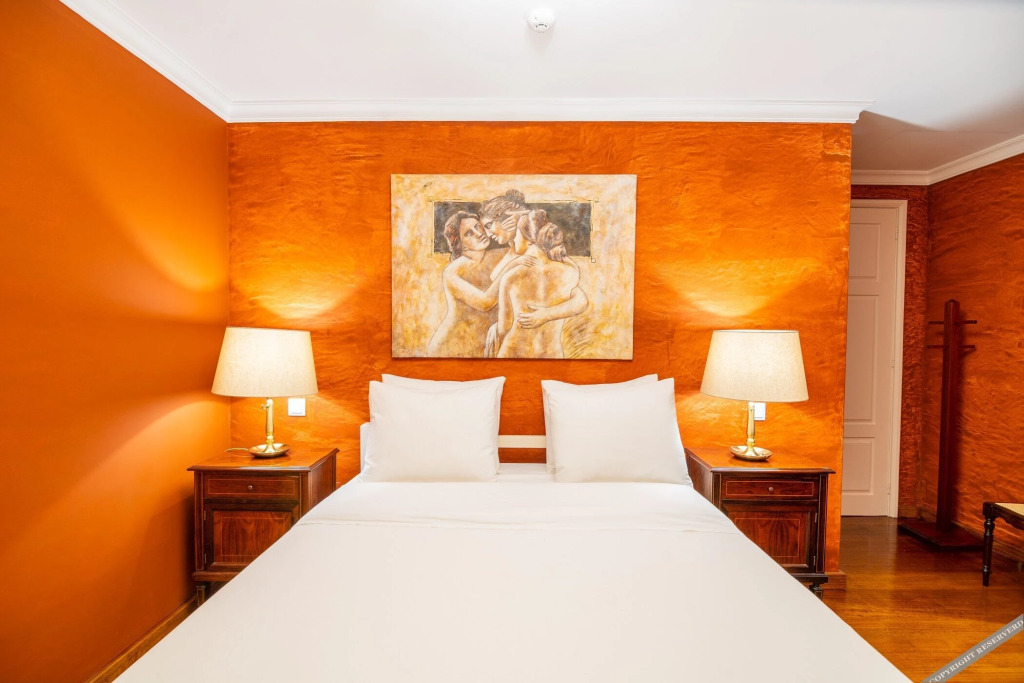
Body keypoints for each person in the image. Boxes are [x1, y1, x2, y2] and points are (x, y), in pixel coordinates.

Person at [426, 211, 525, 357]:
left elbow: (530, 243)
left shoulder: (500, 254)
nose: (479, 233)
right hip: (451, 346)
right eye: (469, 233)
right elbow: (485, 303)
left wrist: (522, 217)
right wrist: (510, 266)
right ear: (461, 244)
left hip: (481, 347)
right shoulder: (453, 272)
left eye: (478, 226)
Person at [491, 210, 588, 358]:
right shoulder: (570, 272)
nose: (515, 239)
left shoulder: (510, 277)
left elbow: (503, 328)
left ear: (529, 240)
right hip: (552, 354)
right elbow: (581, 301)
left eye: (517, 234)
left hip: (514, 352)